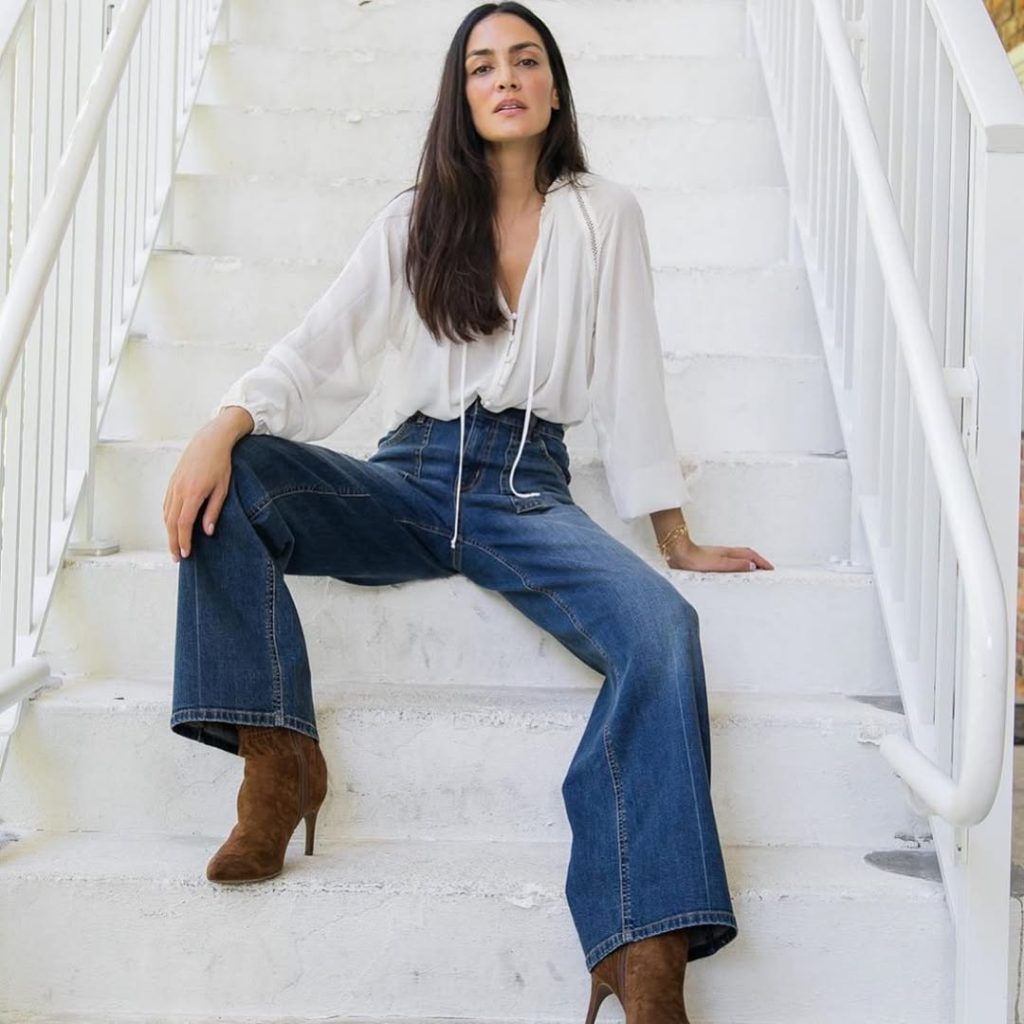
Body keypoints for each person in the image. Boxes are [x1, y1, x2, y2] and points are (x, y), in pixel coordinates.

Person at [163, 3, 773, 1019]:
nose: (505, 77)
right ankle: (277, 756)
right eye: (482, 64)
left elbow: (629, 376)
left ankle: (643, 946)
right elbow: (322, 348)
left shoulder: (604, 213)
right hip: (405, 476)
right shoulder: (414, 217)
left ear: (553, 88)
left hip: (526, 488)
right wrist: (222, 423)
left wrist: (673, 531)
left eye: (524, 60)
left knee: (664, 630)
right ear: (462, 93)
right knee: (241, 477)